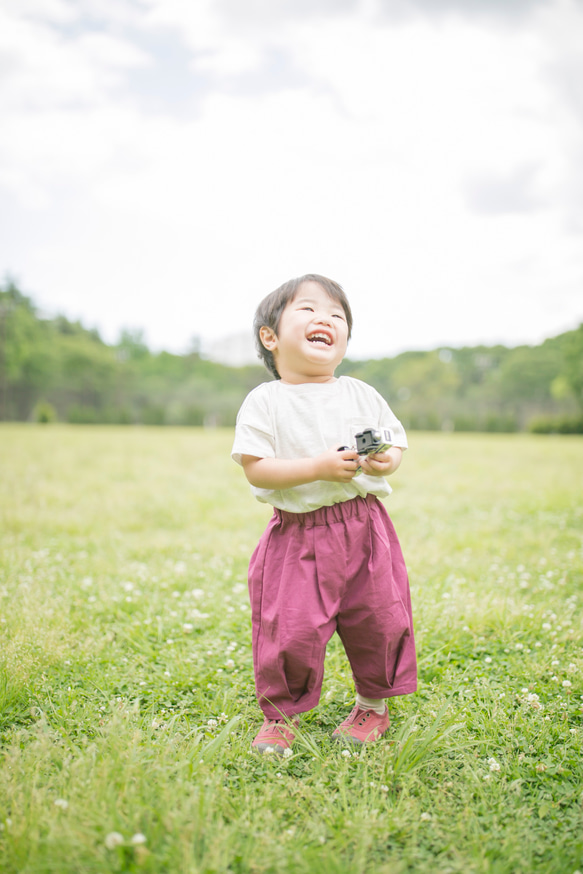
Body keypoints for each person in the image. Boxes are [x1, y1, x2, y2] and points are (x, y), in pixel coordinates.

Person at [231, 274, 416, 754]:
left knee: (379, 618)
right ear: (269, 337)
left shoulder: (359, 393)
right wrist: (318, 467)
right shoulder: (266, 401)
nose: (326, 319)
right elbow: (257, 470)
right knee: (289, 628)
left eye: (337, 315)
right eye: (308, 310)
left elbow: (393, 445)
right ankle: (282, 717)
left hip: (365, 527)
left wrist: (383, 460)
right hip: (299, 536)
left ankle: (372, 706)